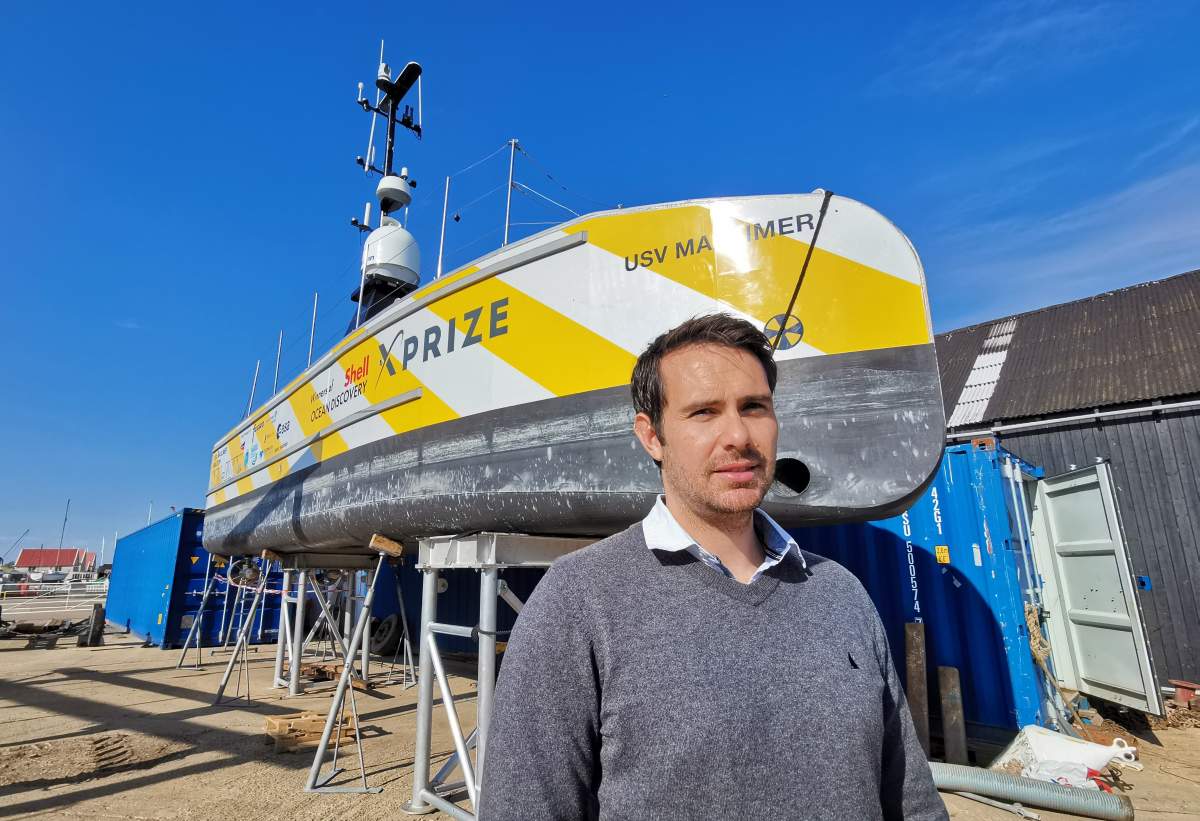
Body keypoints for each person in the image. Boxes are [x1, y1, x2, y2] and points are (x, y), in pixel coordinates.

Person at [479, 314, 947, 820]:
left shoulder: (841, 592)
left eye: (754, 407)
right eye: (704, 412)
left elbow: (913, 803)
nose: (738, 435)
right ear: (651, 436)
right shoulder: (577, 600)